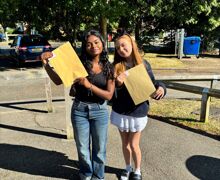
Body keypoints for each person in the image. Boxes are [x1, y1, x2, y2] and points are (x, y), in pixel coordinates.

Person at [41, 30, 115, 180]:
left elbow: (109, 95)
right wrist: (46, 65)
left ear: (102, 43)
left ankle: (98, 176)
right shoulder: (78, 64)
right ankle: (86, 174)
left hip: (100, 111)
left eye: (96, 42)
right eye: (88, 44)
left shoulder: (109, 67)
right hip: (79, 110)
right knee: (82, 148)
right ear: (84, 47)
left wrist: (89, 85)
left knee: (100, 149)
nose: (93, 46)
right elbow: (58, 80)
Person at [110, 33, 166, 180]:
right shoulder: (116, 67)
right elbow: (111, 92)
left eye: (123, 45)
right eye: (117, 47)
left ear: (132, 44)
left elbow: (153, 83)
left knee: (134, 145)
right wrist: (118, 84)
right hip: (121, 111)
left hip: (138, 111)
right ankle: (127, 168)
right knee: (125, 144)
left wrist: (161, 88)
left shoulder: (144, 64)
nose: (121, 49)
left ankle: (138, 170)